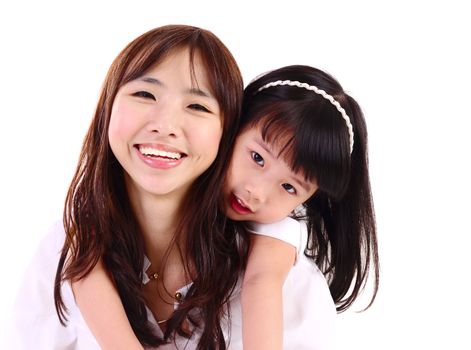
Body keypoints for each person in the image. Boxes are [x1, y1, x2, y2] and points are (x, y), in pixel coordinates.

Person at [67, 64, 380, 349]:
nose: (256, 191)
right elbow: (85, 269)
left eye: (289, 187)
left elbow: (261, 285)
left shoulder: (275, 236)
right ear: (232, 127)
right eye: (257, 158)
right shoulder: (146, 192)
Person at [5, 24, 246, 349]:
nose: (164, 126)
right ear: (107, 109)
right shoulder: (64, 252)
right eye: (145, 94)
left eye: (197, 106)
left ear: (228, 132)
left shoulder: (269, 271)